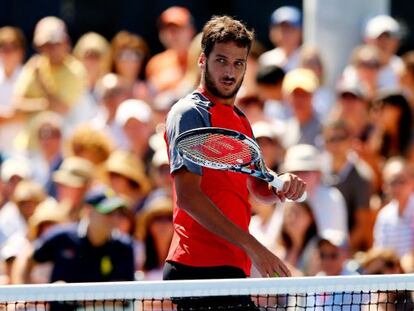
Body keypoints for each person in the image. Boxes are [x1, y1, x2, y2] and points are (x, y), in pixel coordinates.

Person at [163, 16, 306, 310]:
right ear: (203, 61)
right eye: (222, 61)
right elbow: (189, 197)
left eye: (238, 63)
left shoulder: (241, 120)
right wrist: (254, 248)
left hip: (231, 268)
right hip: (197, 268)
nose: (230, 72)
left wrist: (280, 184)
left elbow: (256, 186)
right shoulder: (189, 112)